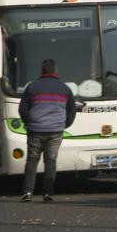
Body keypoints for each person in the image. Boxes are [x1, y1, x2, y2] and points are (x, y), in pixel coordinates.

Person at [18, 58, 76, 203]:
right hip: (56, 130)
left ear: (42, 71)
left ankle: (28, 192)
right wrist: (64, 124)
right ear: (56, 71)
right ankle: (48, 193)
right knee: (50, 160)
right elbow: (72, 111)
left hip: (35, 129)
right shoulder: (65, 88)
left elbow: (23, 108)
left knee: (32, 160)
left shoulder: (32, 87)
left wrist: (29, 121)